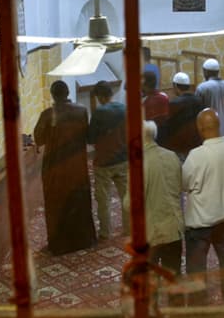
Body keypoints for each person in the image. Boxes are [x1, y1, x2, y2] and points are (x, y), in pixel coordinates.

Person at [182, 108, 224, 306]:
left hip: (200, 222)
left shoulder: (196, 156)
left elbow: (183, 184)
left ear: (200, 128)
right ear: (218, 125)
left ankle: (199, 310)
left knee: (197, 270)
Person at [123, 121, 184, 305]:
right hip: (174, 227)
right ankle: (178, 316)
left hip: (151, 232)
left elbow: (130, 204)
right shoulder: (172, 155)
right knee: (173, 275)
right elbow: (180, 186)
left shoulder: (138, 163)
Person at [33, 80, 96, 254]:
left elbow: (38, 139)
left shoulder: (47, 114)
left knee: (57, 204)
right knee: (79, 200)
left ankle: (59, 245)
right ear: (68, 93)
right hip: (77, 166)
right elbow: (87, 135)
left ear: (53, 95)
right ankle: (83, 240)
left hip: (55, 169)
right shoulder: (82, 111)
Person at [87, 80, 129, 239]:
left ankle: (105, 232)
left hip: (104, 162)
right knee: (126, 197)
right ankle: (129, 228)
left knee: (103, 200)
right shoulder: (124, 108)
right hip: (123, 159)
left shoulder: (99, 112)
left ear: (100, 97)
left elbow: (90, 139)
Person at [162, 72, 203, 161]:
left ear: (175, 86)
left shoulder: (174, 103)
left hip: (180, 147)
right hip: (196, 144)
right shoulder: (199, 100)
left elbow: (169, 128)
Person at [195, 58, 224, 138]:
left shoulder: (202, 87)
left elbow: (198, 112)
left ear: (205, 72)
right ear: (218, 72)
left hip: (210, 132)